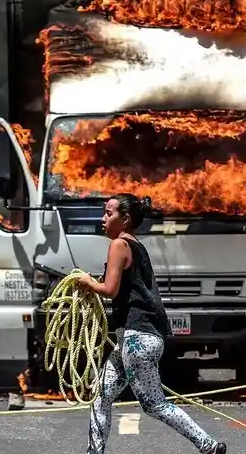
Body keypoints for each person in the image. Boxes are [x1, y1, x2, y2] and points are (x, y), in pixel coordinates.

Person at [77, 193, 226, 454]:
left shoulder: (118, 245)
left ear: (124, 220)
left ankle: (208, 445)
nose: (102, 219)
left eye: (108, 213)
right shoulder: (136, 245)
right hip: (137, 338)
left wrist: (88, 283)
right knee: (101, 395)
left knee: (155, 405)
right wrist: (95, 283)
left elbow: (109, 289)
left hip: (137, 339)